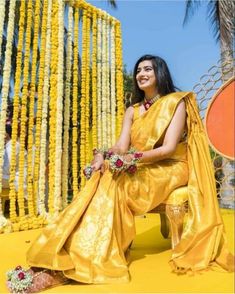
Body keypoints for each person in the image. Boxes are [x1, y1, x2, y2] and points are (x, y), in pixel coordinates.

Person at [7, 55, 234, 293]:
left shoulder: (175, 102)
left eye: (148, 69)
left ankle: (88, 257)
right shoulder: (132, 111)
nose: (141, 74)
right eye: (138, 70)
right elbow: (120, 147)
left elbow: (167, 149)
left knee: (116, 181)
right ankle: (69, 250)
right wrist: (101, 156)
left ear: (160, 73)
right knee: (103, 175)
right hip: (143, 165)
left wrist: (130, 159)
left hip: (172, 167)